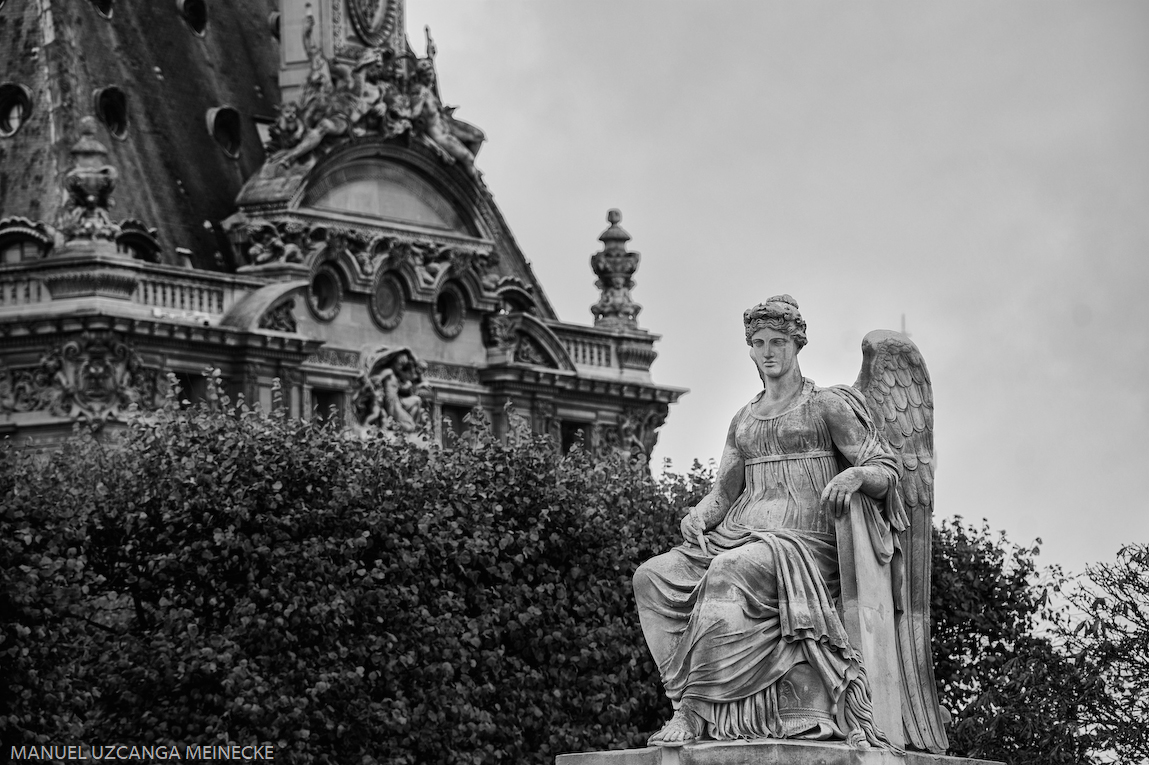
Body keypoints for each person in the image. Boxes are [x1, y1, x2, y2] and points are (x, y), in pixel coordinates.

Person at [633, 295, 900, 748]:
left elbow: (885, 469)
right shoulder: (743, 419)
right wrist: (698, 515)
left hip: (804, 541)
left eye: (777, 341)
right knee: (651, 576)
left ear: (797, 344)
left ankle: (694, 710)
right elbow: (724, 492)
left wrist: (855, 475)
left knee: (728, 571)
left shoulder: (826, 405)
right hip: (740, 533)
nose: (768, 352)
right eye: (758, 343)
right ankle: (683, 694)